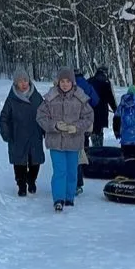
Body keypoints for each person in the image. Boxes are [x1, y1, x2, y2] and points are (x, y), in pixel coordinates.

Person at [36, 67, 94, 212]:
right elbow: (40, 117)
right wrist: (54, 125)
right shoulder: (50, 97)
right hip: (56, 141)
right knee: (60, 171)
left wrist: (77, 127)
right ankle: (58, 199)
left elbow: (88, 117)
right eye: (62, 81)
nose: (65, 84)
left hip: (74, 142)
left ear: (72, 82)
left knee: (72, 171)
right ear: (58, 82)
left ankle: (69, 197)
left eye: (68, 81)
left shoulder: (80, 97)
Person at [0, 69, 45, 197]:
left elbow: (45, 114)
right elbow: (4, 118)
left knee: (35, 162)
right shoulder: (11, 99)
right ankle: (21, 185)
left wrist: (46, 130)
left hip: (35, 135)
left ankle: (31, 180)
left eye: (25, 80)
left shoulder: (37, 97)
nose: (24, 83)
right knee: (19, 163)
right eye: (20, 81)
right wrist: (6, 132)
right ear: (15, 83)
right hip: (17, 136)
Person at [73, 68, 100, 193]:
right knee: (82, 147)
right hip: (85, 120)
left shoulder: (67, 84)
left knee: (74, 151)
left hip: (73, 121)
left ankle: (77, 179)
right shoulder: (86, 84)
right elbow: (95, 100)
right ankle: (84, 170)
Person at [88, 67, 119, 147]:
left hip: (89, 112)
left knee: (93, 131)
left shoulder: (89, 81)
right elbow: (111, 99)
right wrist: (116, 110)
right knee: (99, 131)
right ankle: (98, 149)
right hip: (101, 112)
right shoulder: (105, 83)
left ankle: (92, 150)